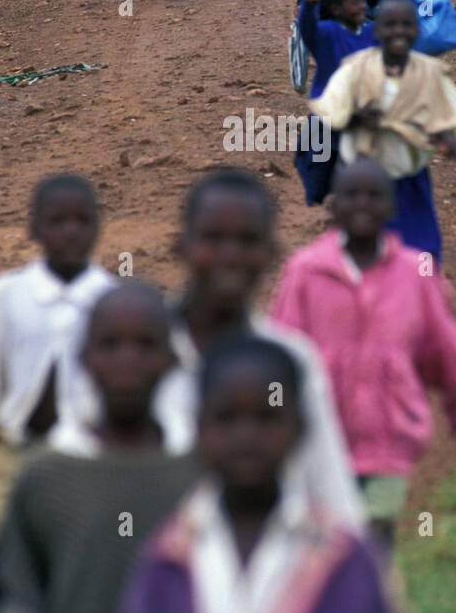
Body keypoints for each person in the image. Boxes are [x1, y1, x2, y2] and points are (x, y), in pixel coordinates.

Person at [83, 332, 415, 613]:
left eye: (267, 418)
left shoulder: (343, 561)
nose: (246, 436)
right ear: (197, 429)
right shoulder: (168, 561)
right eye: (226, 419)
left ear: (300, 429)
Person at [0, 283, 199, 613]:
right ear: (83, 359)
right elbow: (12, 601)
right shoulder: (46, 479)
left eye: (145, 345)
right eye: (110, 344)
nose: (127, 360)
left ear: (171, 360)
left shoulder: (199, 477)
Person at [271, 157, 456, 539]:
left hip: (388, 441)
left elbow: (445, 347)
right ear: (333, 204)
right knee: (326, 542)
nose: (362, 204)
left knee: (375, 539)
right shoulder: (305, 272)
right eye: (351, 195)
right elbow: (280, 353)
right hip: (318, 441)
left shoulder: (415, 273)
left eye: (374, 196)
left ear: (392, 207)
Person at [145, 169, 364, 525]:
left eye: (248, 240)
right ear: (180, 246)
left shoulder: (293, 362)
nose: (230, 256)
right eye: (213, 239)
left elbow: (331, 494)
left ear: (272, 253)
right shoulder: (138, 354)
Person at [0, 175, 115, 537]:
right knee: (8, 560)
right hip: (16, 459)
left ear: (97, 227)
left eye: (82, 221)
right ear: (34, 229)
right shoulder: (8, 294)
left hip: (87, 463)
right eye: (57, 222)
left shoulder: (111, 301)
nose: (70, 232)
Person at [309, 0, 456, 260]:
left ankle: (420, 292)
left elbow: (445, 113)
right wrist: (357, 118)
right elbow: (330, 112)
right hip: (363, 180)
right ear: (377, 30)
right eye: (390, 25)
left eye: (406, 25)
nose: (399, 31)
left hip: (409, 178)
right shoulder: (356, 69)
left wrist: (447, 137)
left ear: (417, 30)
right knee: (365, 247)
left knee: (422, 247)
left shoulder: (429, 72)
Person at [293, 0, 376, 204]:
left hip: (361, 117)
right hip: (328, 118)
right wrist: (309, 4)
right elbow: (307, 29)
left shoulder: (371, 34)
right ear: (338, 10)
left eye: (363, 2)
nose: (362, 7)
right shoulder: (328, 32)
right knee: (318, 174)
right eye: (355, 2)